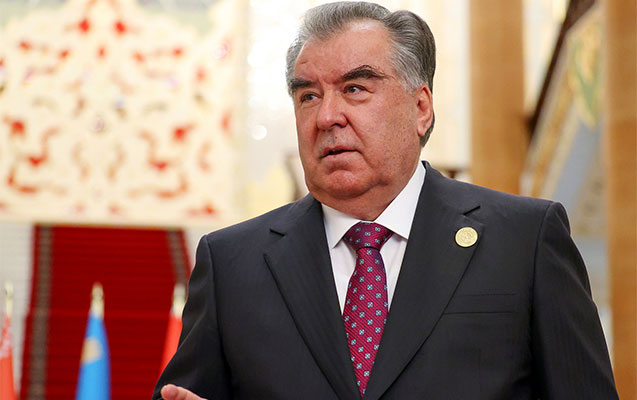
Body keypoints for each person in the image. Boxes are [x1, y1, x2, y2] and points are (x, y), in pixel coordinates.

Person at [153, 2, 618, 399]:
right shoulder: (232, 265)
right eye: (308, 96)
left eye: (354, 89)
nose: (327, 116)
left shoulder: (524, 242)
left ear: (421, 108)